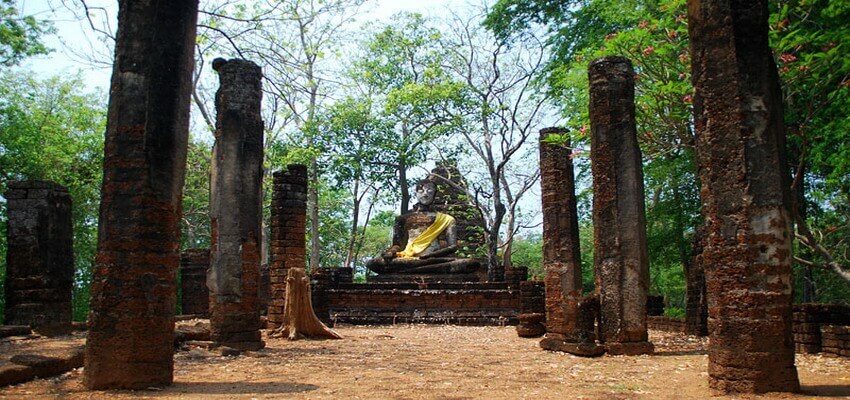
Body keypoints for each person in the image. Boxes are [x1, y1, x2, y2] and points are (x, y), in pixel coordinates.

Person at [366, 180, 479, 275]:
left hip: (434, 259)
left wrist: (432, 255)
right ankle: (422, 268)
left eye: (429, 191)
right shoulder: (402, 219)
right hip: (408, 258)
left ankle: (410, 270)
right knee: (374, 263)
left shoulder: (447, 219)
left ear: (435, 194)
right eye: (421, 191)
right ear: (415, 193)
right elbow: (398, 245)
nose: (425, 194)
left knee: (470, 263)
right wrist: (391, 252)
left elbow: (452, 247)